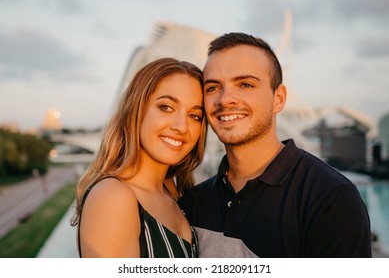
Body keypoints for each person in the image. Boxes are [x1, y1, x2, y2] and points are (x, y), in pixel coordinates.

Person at [178, 33, 372, 257]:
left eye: (245, 84)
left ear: (278, 98)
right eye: (212, 87)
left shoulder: (330, 198)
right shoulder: (195, 201)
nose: (225, 99)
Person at [71, 57, 207, 258]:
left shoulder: (172, 190)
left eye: (194, 116)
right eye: (166, 107)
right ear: (136, 109)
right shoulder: (113, 197)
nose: (181, 126)